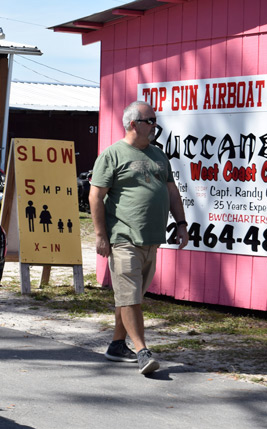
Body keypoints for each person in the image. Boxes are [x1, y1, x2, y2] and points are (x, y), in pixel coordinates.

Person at [89, 101, 189, 376]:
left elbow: (171, 191)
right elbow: (95, 196)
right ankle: (142, 350)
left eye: (155, 120)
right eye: (150, 121)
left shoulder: (159, 155)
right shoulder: (112, 155)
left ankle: (116, 345)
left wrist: (181, 224)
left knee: (130, 297)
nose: (155, 125)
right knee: (130, 297)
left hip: (151, 240)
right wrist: (100, 235)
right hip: (123, 237)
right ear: (134, 124)